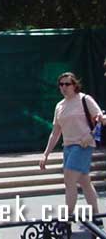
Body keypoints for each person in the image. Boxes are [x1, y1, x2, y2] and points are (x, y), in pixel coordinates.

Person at [40, 72, 104, 222]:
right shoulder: (59, 106)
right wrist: (45, 154)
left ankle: (67, 218)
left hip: (82, 145)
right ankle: (96, 215)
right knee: (84, 181)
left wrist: (91, 135)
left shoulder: (85, 99)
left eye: (67, 84)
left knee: (69, 179)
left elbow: (101, 120)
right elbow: (55, 132)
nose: (64, 87)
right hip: (67, 147)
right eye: (61, 84)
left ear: (74, 85)